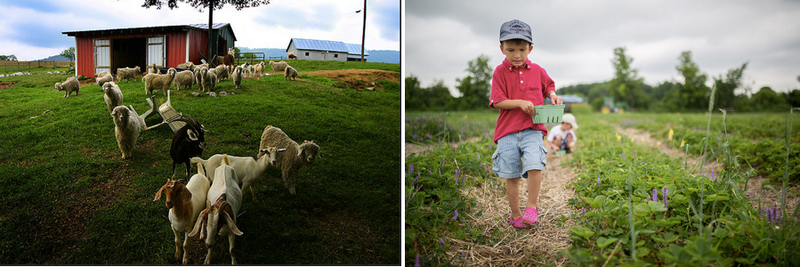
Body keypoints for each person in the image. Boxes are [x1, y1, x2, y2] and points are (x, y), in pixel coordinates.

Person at [489, 19, 563, 229]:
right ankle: (515, 214)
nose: (517, 55)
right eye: (511, 49)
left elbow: (548, 85)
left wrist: (552, 95)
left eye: (522, 49)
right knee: (511, 174)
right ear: (502, 48)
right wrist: (520, 103)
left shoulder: (538, 70)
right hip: (507, 131)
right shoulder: (500, 72)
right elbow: (496, 102)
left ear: (530, 48)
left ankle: (532, 206)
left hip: (533, 128)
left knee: (534, 164)